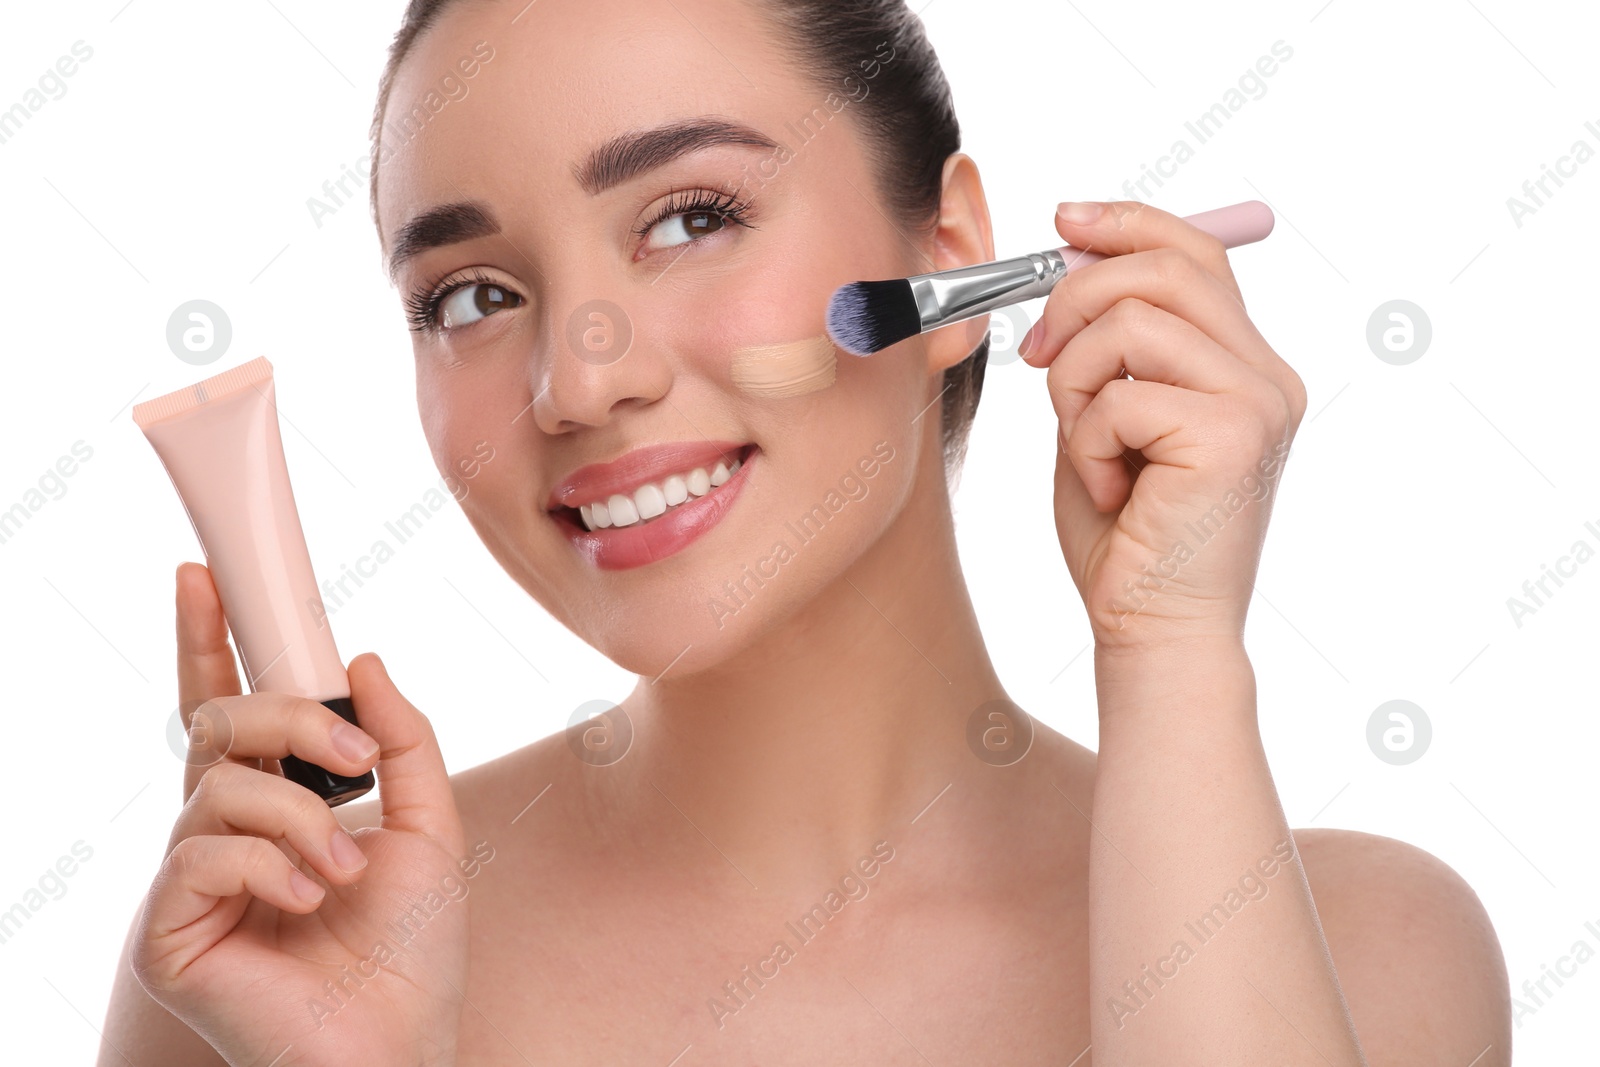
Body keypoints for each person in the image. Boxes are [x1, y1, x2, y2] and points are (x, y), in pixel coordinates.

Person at [100, 0, 1512, 1062]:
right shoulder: (267, 959)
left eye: (692, 217)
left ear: (950, 249)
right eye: (471, 296)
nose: (581, 380)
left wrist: (1173, 656)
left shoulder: (1365, 946)